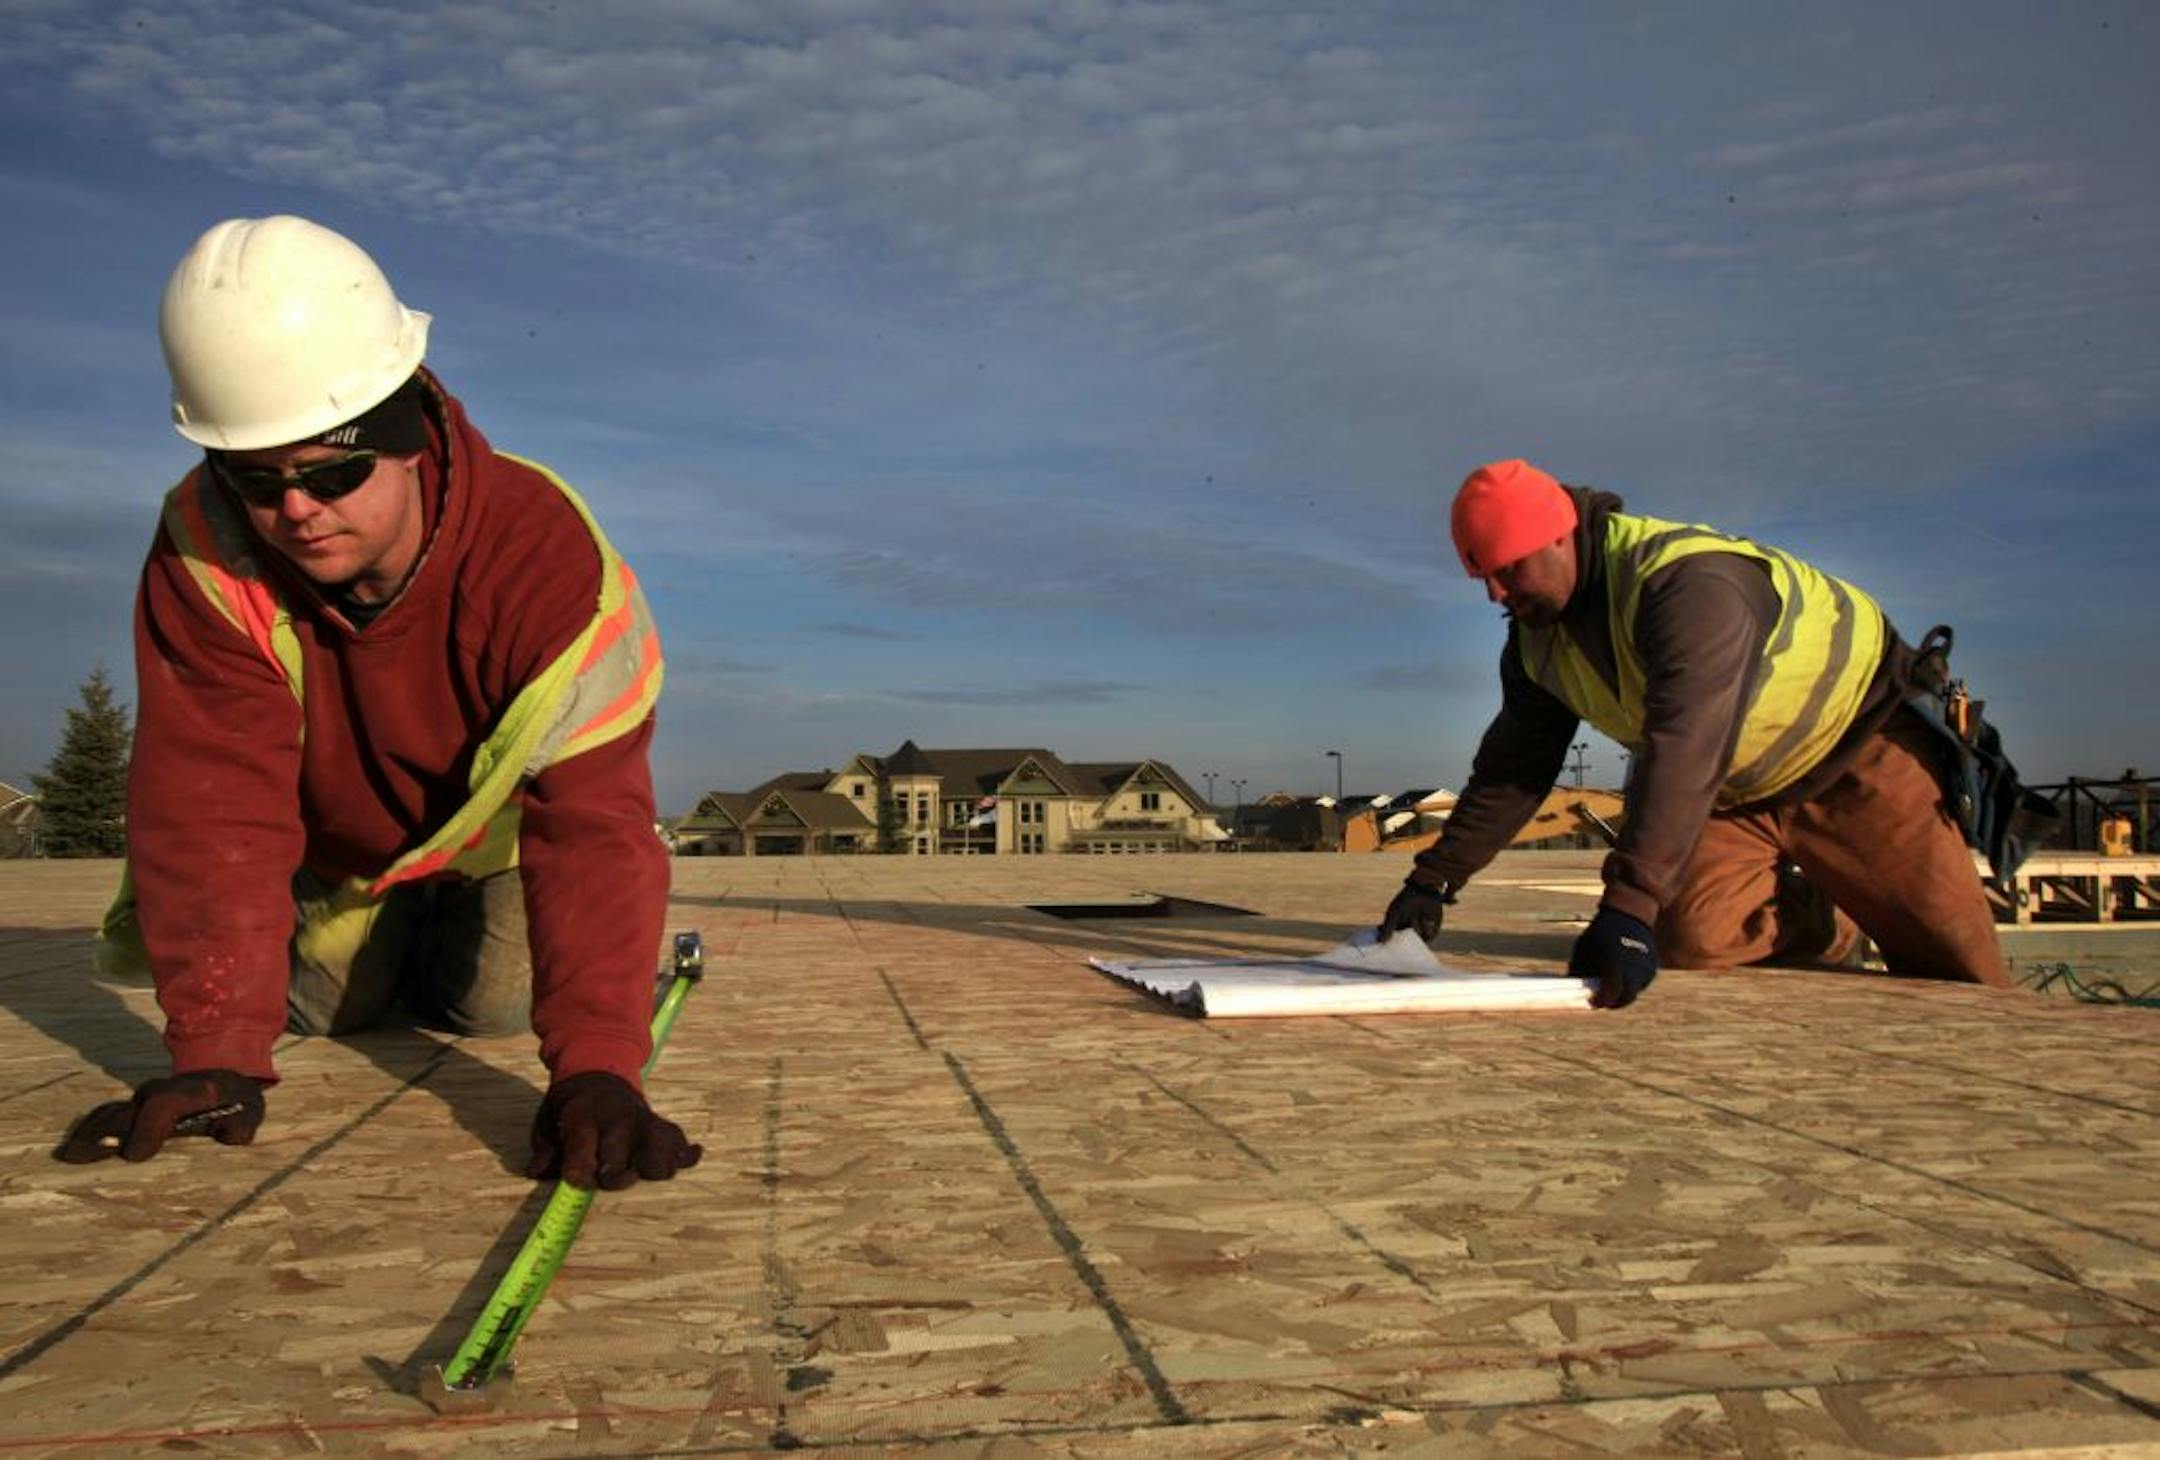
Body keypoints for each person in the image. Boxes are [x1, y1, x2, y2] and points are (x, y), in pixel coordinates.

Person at [55, 215, 700, 1190]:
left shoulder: (547, 563)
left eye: (333, 473)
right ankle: (383, 935)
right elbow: (209, 801)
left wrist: (600, 1066)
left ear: (406, 442)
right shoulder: (206, 547)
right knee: (319, 1014)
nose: (295, 511)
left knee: (494, 1007)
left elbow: (595, 826)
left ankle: (440, 932)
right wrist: (216, 1052)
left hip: (489, 846)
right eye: (255, 479)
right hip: (342, 855)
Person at [1378, 458, 2015, 1007]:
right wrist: (1434, 880)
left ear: (1561, 536)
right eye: (1483, 577)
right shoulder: (1535, 644)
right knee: (1688, 940)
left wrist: (1626, 905)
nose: (1495, 593)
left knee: (1960, 967)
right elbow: (1514, 772)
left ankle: (1859, 890)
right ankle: (1823, 922)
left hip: (1854, 755)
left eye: (1509, 569)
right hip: (1735, 795)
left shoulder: (1688, 584)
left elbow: (1685, 744)